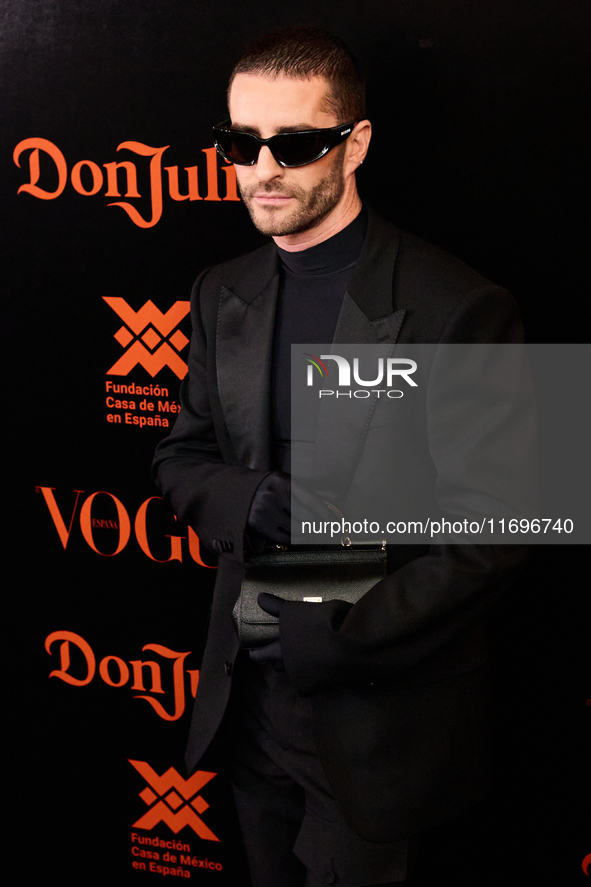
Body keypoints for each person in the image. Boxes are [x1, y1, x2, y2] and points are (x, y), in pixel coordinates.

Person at [153, 26, 530, 887]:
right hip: (246, 706)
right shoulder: (221, 290)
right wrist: (246, 497)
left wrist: (344, 638)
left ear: (354, 143)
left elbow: (506, 529)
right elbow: (179, 455)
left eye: (294, 143)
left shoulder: (461, 304)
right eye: (241, 143)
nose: (263, 168)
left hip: (378, 725)